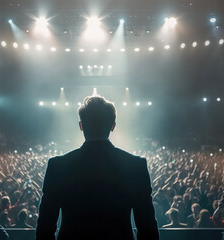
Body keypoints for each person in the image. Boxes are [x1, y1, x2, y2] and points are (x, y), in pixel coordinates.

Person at [36, 95, 159, 240]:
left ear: (81, 126)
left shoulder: (58, 166)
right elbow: (147, 226)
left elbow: (45, 226)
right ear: (113, 125)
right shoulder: (135, 165)